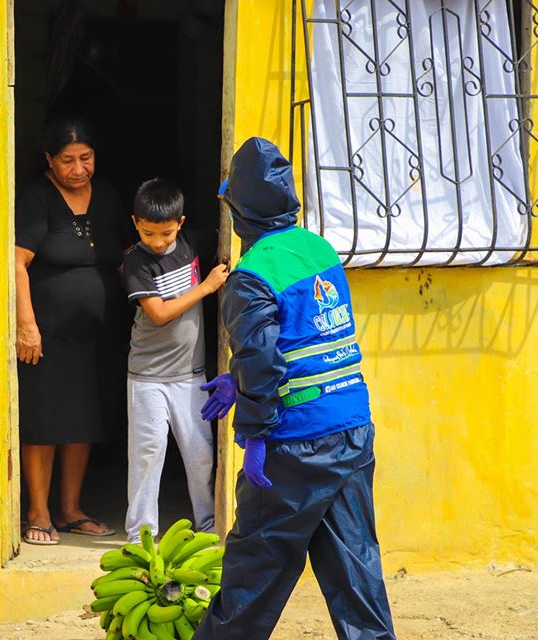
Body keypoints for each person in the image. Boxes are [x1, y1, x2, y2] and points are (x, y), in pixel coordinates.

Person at [193, 138, 396, 639]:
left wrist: (255, 434)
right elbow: (307, 337)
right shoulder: (318, 248)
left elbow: (262, 361)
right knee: (355, 567)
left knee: (255, 568)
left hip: (297, 443)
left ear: (239, 212)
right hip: (351, 426)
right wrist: (239, 379)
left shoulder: (251, 276)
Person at [14, 118, 133, 545]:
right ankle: (38, 511)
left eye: (86, 158)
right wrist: (26, 326)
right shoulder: (37, 197)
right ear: (49, 159)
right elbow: (17, 263)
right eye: (68, 160)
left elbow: (127, 257)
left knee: (84, 420)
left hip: (98, 335)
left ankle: (70, 509)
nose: (78, 168)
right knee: (45, 421)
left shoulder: (108, 196)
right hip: (47, 336)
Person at [121, 178, 228, 543]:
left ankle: (208, 524)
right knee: (148, 454)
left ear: (180, 223)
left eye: (166, 233)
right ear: (135, 223)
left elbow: (231, 233)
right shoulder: (136, 262)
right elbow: (159, 314)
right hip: (147, 377)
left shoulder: (192, 243)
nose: (157, 241)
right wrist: (207, 287)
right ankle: (140, 534)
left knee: (201, 454)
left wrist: (229, 197)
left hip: (191, 376)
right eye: (148, 233)